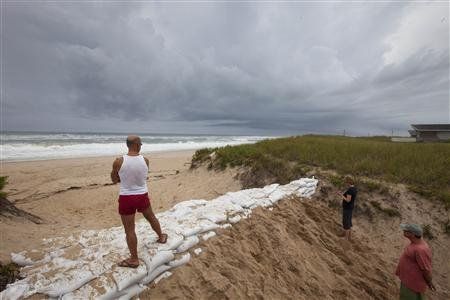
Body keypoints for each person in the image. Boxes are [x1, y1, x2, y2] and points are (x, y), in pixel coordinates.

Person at [111, 135, 168, 268]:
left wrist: (120, 177)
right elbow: (142, 177)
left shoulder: (118, 161)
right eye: (140, 143)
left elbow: (114, 180)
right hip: (142, 195)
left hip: (127, 197)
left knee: (129, 230)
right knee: (151, 217)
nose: (141, 145)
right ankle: (161, 236)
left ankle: (134, 259)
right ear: (136, 144)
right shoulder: (145, 160)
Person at [396, 223, 435, 300]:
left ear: (412, 234)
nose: (403, 231)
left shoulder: (421, 249)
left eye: (406, 230)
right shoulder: (415, 243)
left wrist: (429, 282)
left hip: (413, 285)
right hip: (408, 281)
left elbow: (425, 269)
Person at [337, 176, 357, 241]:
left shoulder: (350, 190)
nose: (345, 183)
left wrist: (341, 195)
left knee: (346, 222)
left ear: (348, 182)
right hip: (350, 208)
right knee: (348, 222)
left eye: (345, 182)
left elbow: (348, 200)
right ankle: (347, 236)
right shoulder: (354, 188)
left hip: (347, 208)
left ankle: (346, 238)